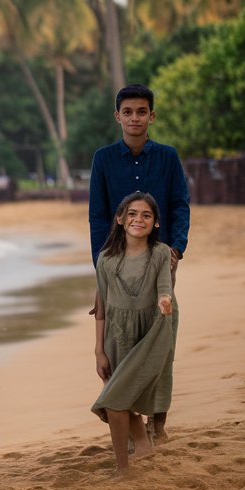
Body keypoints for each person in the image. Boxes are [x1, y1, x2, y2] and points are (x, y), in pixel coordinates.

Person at [88, 83, 189, 442]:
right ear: (118, 116)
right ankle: (129, 419)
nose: (134, 118)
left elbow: (179, 204)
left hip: (161, 261)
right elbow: (98, 215)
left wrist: (176, 248)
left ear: (152, 116)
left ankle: (158, 421)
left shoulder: (167, 157)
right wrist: (103, 268)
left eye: (141, 112)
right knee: (122, 342)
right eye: (127, 112)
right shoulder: (103, 158)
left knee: (161, 340)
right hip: (116, 262)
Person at [91, 191, 176, 475]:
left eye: (146, 215)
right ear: (119, 219)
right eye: (132, 214)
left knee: (115, 399)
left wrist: (164, 301)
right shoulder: (105, 259)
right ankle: (141, 444)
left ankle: (122, 469)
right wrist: (99, 349)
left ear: (156, 224)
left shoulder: (161, 254)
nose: (138, 219)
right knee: (121, 390)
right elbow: (101, 306)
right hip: (117, 332)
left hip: (152, 329)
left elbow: (165, 287)